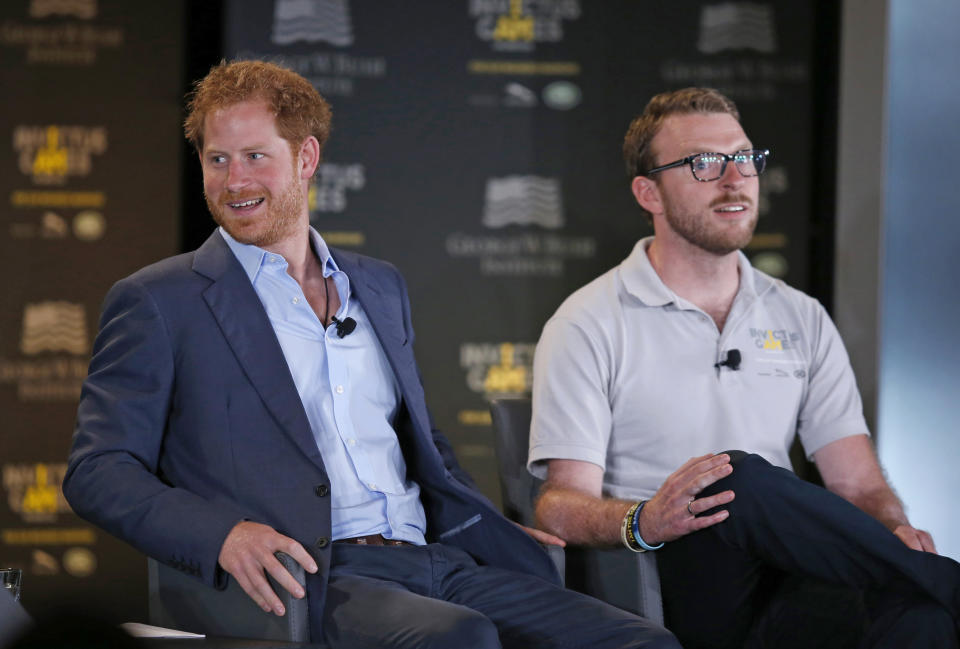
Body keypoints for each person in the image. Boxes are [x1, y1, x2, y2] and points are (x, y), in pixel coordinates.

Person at [62, 60, 679, 649]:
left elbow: (420, 443)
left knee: (639, 639)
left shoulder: (378, 285)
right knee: (462, 639)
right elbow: (99, 470)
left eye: (255, 156)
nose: (234, 181)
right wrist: (221, 535)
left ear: (306, 158)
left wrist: (481, 524)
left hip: (435, 559)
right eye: (217, 159)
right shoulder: (160, 301)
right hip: (315, 576)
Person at [528, 87, 960, 649]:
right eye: (704, 163)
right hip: (673, 581)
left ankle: (938, 588)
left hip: (791, 586)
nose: (735, 179)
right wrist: (647, 518)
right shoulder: (589, 321)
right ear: (648, 192)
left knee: (919, 612)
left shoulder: (800, 315)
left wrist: (891, 527)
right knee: (729, 477)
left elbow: (858, 484)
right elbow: (558, 504)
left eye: (745, 158)